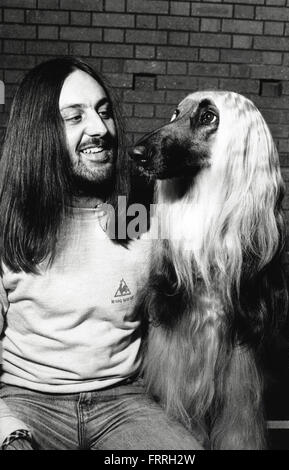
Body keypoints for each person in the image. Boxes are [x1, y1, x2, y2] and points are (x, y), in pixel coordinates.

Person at [0, 57, 205, 450]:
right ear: (39, 134)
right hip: (27, 401)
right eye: (74, 117)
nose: (100, 129)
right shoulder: (10, 225)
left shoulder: (138, 218)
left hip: (122, 402)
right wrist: (9, 431)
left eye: (104, 112)